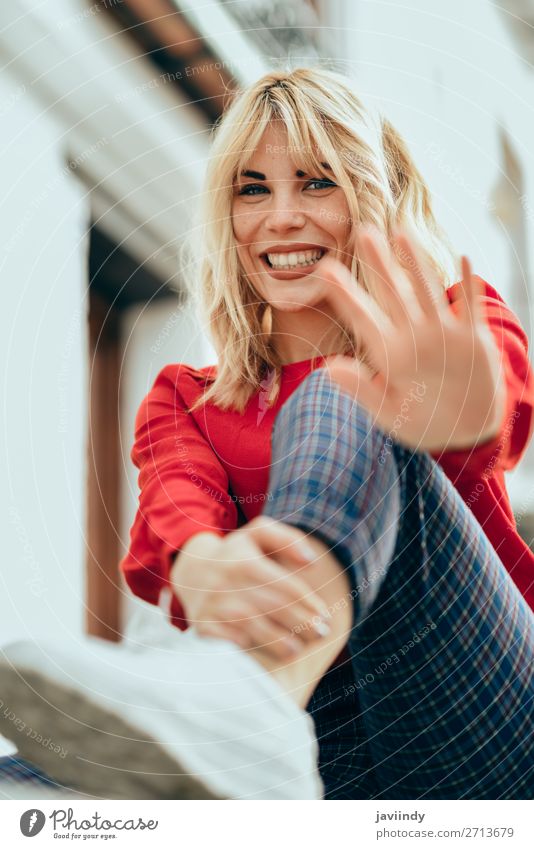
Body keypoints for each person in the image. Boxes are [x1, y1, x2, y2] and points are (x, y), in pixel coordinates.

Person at [1, 67, 533, 800]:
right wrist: (203, 569)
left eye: (317, 182)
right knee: (34, 779)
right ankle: (239, 710)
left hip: (484, 731)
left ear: (375, 195)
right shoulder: (185, 401)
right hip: (323, 759)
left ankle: (247, 695)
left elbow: (498, 397)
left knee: (338, 391)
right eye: (252, 188)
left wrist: (465, 414)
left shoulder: (441, 326)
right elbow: (176, 513)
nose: (280, 216)